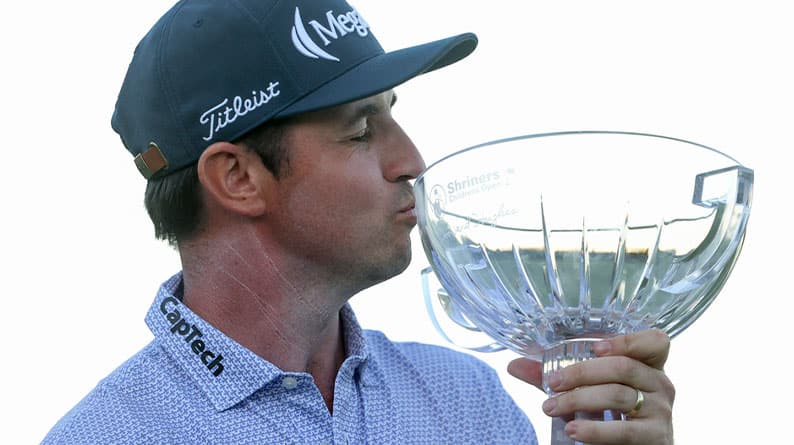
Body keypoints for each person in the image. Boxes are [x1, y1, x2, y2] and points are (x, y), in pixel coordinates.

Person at [43, 0, 675, 443]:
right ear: (237, 178)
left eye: (393, 117)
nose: (411, 161)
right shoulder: (107, 437)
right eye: (361, 130)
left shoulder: (466, 399)